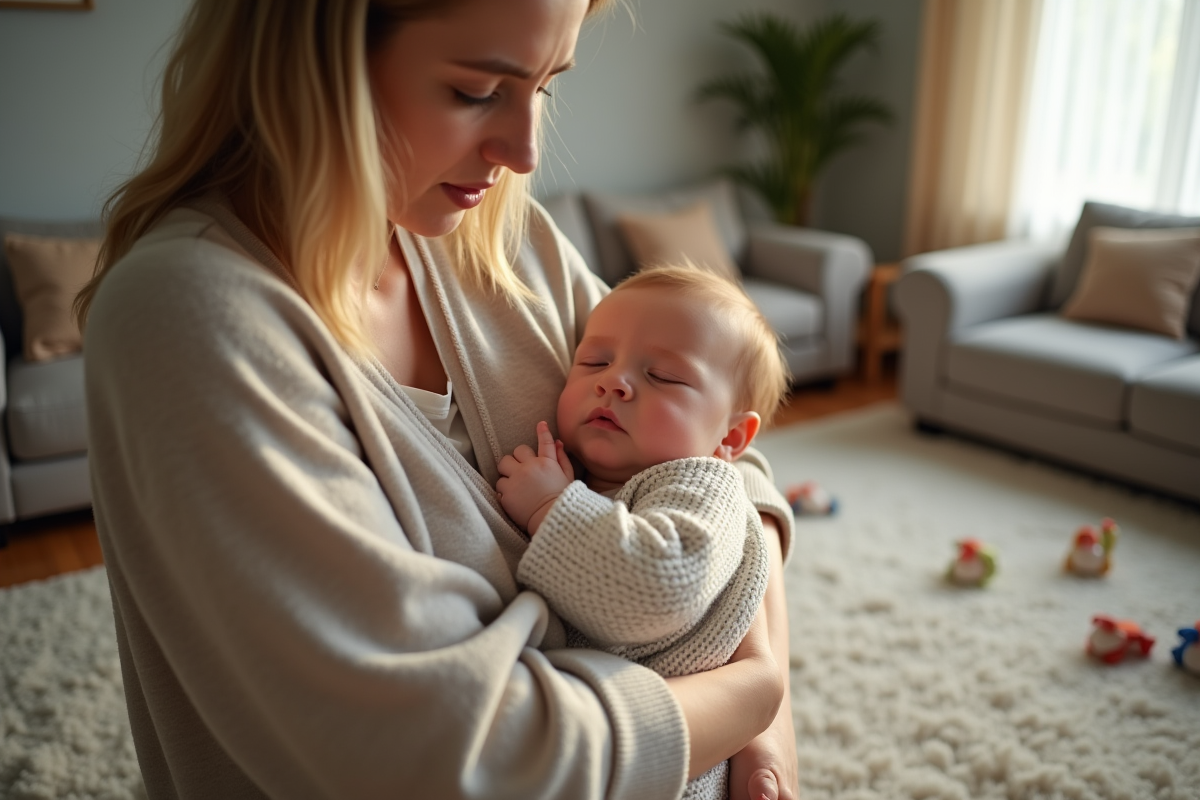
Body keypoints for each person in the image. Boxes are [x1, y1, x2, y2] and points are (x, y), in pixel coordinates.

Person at [74, 1, 800, 798]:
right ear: (319, 58)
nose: (523, 154)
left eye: (545, 87)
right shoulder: (190, 313)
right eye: (477, 91)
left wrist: (768, 744)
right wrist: (750, 693)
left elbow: (722, 457)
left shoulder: (501, 236)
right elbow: (455, 760)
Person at [495, 265, 791, 800]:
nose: (613, 381)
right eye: (594, 361)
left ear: (729, 437)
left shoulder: (705, 486)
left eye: (664, 377)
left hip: (680, 770)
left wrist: (550, 507)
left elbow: (656, 587)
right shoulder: (591, 478)